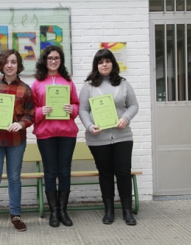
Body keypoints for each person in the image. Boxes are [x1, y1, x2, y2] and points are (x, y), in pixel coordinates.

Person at [79, 49, 139, 225]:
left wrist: (125, 118)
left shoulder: (123, 83)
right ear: (96, 65)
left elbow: (133, 105)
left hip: (122, 137)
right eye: (100, 62)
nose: (104, 64)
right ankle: (109, 211)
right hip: (98, 139)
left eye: (107, 61)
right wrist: (89, 126)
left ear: (113, 63)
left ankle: (127, 211)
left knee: (123, 173)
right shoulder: (89, 85)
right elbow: (83, 109)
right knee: (105, 174)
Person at [0, 49, 34, 235]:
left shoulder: (26, 89)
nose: (10, 65)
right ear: (2, 65)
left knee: (14, 178)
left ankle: (15, 215)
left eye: (13, 62)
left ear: (18, 65)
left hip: (16, 141)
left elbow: (31, 114)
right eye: (6, 62)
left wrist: (21, 124)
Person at [31, 45, 79, 228]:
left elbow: (76, 105)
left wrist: (71, 109)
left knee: (65, 172)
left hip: (67, 133)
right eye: (50, 58)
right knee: (50, 172)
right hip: (46, 134)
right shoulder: (37, 83)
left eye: (56, 58)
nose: (53, 61)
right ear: (45, 60)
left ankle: (63, 211)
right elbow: (31, 111)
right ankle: (53, 212)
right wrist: (41, 111)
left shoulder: (68, 81)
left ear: (61, 60)